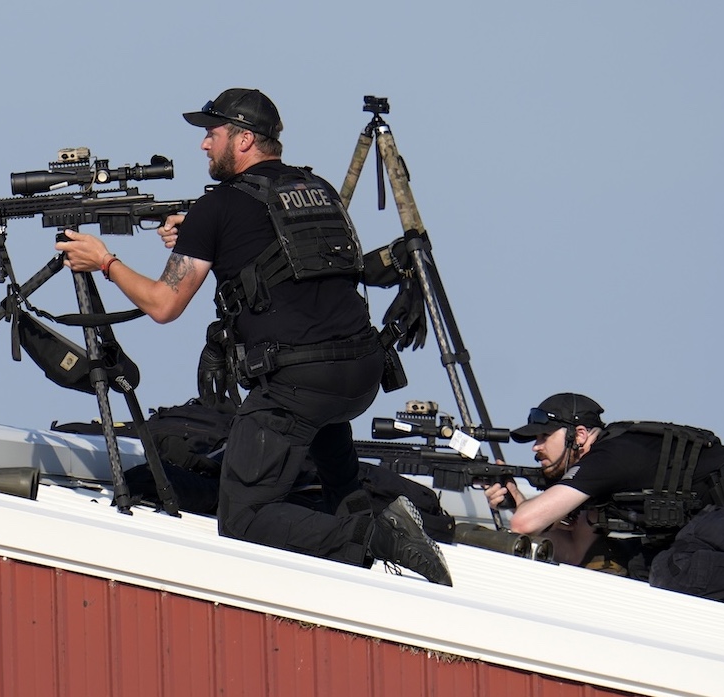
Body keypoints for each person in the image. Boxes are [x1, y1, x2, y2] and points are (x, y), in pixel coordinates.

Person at [55, 88, 451, 585]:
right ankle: (373, 529)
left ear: (243, 140)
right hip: (358, 370)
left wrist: (104, 262)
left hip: (298, 380)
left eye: (212, 133)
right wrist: (203, 237)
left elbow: (163, 303)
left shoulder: (217, 208)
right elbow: (284, 255)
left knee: (242, 517)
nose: (203, 144)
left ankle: (384, 539)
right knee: (333, 467)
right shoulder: (318, 188)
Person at [484, 392, 724, 625]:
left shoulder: (608, 458)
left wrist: (523, 508)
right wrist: (523, 505)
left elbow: (524, 522)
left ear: (579, 436)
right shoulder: (604, 472)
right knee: (643, 563)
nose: (535, 448)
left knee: (676, 567)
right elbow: (576, 550)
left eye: (543, 437)